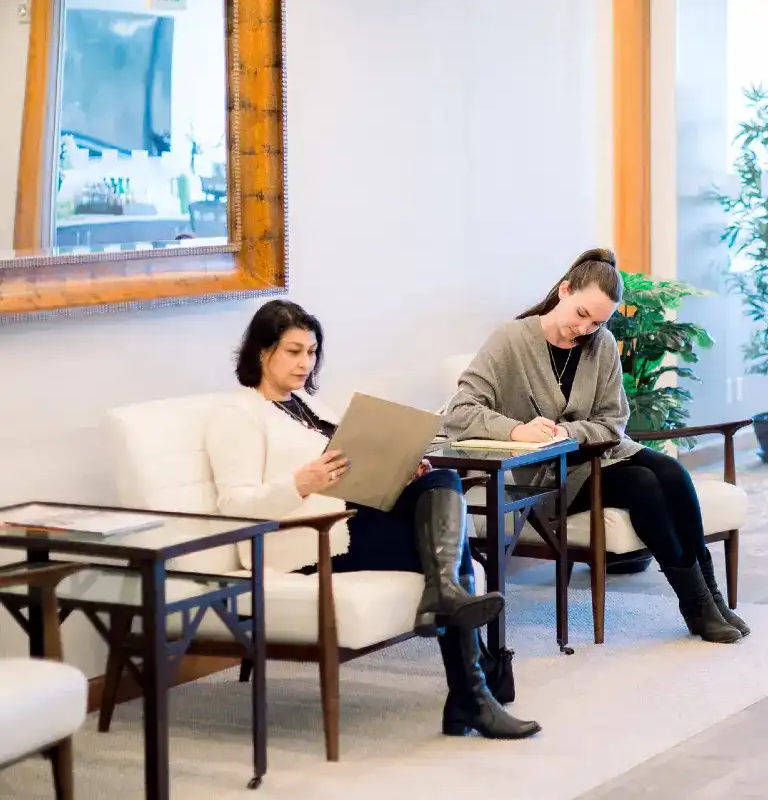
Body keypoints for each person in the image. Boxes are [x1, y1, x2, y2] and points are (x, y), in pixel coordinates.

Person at [205, 299, 541, 739]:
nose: (305, 362)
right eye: (293, 351)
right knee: (447, 549)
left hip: (349, 519)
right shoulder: (238, 415)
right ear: (260, 351)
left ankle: (454, 631)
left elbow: (350, 466)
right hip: (305, 541)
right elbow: (234, 506)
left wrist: (399, 465)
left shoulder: (308, 404)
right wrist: (300, 483)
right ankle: (469, 693)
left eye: (311, 352)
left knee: (438, 479)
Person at [444, 248, 749, 645]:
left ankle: (710, 599)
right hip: (546, 476)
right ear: (565, 291)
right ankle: (695, 604)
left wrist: (571, 433)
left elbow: (611, 421)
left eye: (598, 322)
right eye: (582, 315)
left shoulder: (601, 344)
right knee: (643, 485)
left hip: (599, 456)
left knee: (671, 473)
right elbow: (459, 411)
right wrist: (517, 430)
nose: (586, 329)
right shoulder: (511, 341)